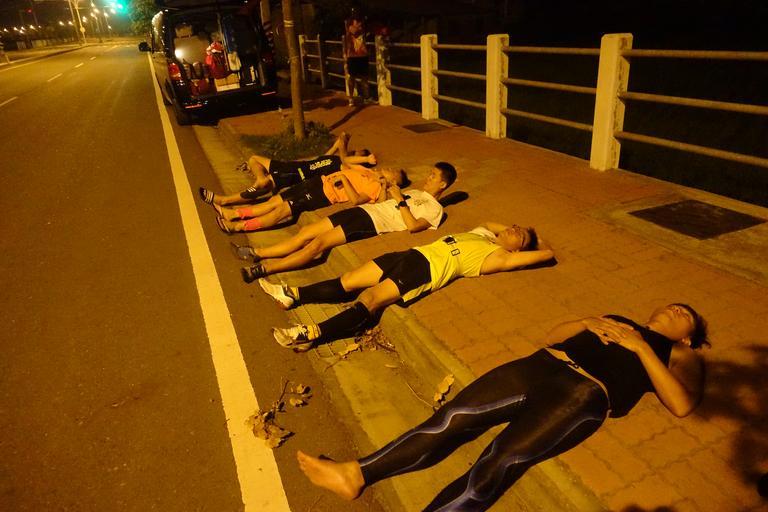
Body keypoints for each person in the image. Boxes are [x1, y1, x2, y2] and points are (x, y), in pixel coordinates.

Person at [296, 304, 708, 511]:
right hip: (540, 365)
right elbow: (553, 336)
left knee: (501, 460)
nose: (676, 308)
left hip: (583, 395)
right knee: (452, 418)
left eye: (685, 314)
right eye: (673, 304)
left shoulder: (679, 353)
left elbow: (682, 404)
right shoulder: (616, 318)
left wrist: (640, 347)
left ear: (688, 337)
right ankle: (356, 473)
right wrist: (587, 321)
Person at [264, 222, 554, 349]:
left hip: (427, 270)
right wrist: (515, 233)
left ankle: (309, 333)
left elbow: (546, 254)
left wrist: (534, 240)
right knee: (350, 279)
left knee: (371, 298)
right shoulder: (483, 234)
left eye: (520, 235)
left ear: (518, 250)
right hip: (411, 254)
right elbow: (491, 222)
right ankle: (292, 294)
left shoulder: (498, 257)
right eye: (516, 226)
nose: (515, 229)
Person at [237, 162, 457, 282]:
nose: (428, 177)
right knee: (307, 231)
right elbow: (383, 202)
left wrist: (400, 201)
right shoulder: (416, 192)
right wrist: (384, 188)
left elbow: (413, 227)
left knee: (317, 245)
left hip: (373, 223)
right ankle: (258, 252)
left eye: (433, 176)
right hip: (365, 210)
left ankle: (265, 268)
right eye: (430, 173)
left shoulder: (436, 209)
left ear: (443, 185)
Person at [213, 166, 406, 234]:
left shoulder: (375, 187)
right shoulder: (369, 171)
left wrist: (344, 180)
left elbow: (355, 200)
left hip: (324, 195)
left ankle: (237, 227)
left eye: (393, 171)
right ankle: (234, 214)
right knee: (274, 202)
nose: (390, 168)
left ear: (392, 181)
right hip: (318, 182)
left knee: (282, 211)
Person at [199, 133, 375, 206]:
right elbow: (338, 144)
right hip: (292, 166)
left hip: (297, 174)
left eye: (358, 154)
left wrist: (366, 159)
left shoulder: (342, 166)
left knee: (265, 185)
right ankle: (260, 179)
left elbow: (344, 155)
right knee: (253, 159)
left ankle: (223, 200)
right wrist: (343, 140)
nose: (354, 152)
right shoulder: (331, 158)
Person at [343, 14, 370, 106]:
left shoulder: (362, 29)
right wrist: (359, 27)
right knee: (352, 78)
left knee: (364, 78)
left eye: (359, 21)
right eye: (357, 22)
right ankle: (351, 98)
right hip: (352, 56)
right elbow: (354, 31)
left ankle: (366, 98)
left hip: (363, 56)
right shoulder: (350, 28)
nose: (359, 23)